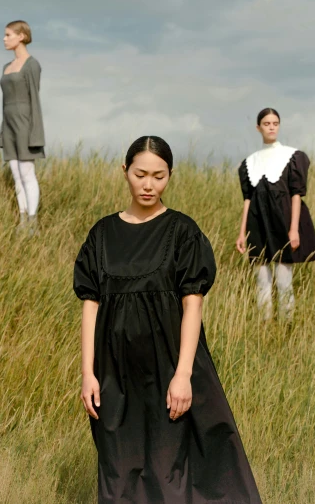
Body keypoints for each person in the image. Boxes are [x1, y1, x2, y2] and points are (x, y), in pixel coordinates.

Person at [74, 136, 262, 503]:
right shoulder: (102, 234)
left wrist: (183, 374)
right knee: (118, 467)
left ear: (170, 176)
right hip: (115, 370)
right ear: (124, 171)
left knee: (170, 469)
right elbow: (90, 304)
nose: (148, 185)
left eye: (159, 176)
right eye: (140, 174)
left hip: (170, 367)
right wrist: (87, 373)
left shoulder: (182, 231)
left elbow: (193, 304)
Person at [236, 108, 315, 321]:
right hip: (257, 224)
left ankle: (287, 327)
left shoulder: (292, 156)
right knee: (261, 281)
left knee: (284, 281)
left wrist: (294, 229)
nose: (271, 127)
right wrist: (242, 233)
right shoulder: (249, 162)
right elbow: (247, 199)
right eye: (266, 123)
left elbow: (296, 195)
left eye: (275, 123)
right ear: (258, 128)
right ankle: (264, 328)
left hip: (283, 222)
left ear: (279, 125)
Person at [0, 20, 45, 235]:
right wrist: (3, 131)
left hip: (25, 122)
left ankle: (33, 222)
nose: (4, 38)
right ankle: (22, 219)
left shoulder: (32, 64)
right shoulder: (6, 67)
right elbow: (4, 102)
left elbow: (34, 99)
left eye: (8, 35)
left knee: (27, 173)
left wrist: (36, 133)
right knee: (16, 174)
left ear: (21, 36)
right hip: (8, 123)